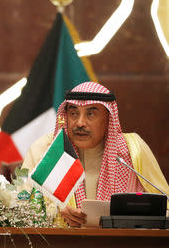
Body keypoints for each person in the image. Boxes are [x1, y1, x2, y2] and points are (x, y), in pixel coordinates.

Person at [22, 81, 169, 227]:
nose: (80, 123)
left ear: (108, 119)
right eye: (73, 113)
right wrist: (56, 213)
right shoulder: (46, 149)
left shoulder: (133, 150)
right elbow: (19, 206)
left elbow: (166, 207)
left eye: (90, 114)